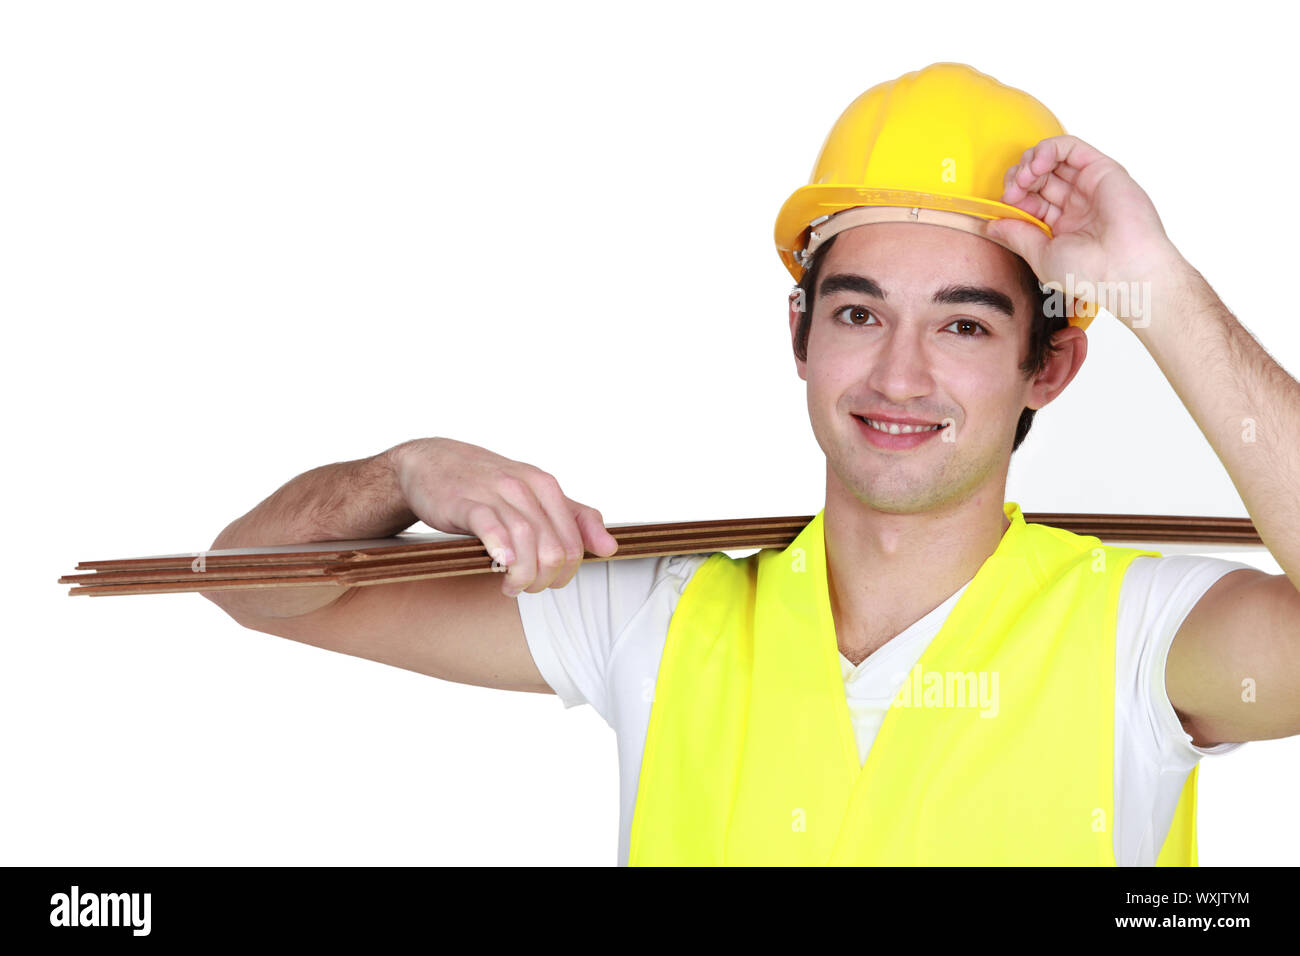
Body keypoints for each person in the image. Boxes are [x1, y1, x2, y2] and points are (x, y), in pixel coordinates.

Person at [202, 63, 1300, 865]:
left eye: (963, 326)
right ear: (799, 336)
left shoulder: (1144, 637)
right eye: (860, 311)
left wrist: (1156, 284)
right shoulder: (654, 617)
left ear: (1046, 367)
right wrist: (404, 473)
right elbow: (256, 589)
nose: (900, 374)